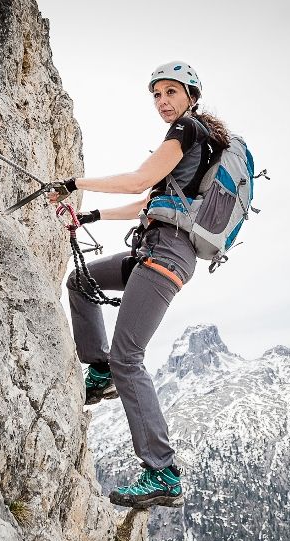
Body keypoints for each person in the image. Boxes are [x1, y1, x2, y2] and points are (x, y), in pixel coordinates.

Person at [51, 61, 230, 509]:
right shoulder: (195, 149)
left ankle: (162, 472)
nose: (163, 101)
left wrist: (74, 184)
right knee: (81, 279)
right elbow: (148, 201)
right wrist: (90, 215)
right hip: (154, 251)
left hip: (166, 256)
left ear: (191, 96)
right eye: (156, 94)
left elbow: (138, 179)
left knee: (129, 356)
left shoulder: (187, 131)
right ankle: (100, 370)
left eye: (172, 92)